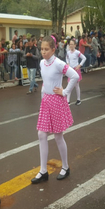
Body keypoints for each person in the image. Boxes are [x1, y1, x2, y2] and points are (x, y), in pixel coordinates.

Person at [31, 35, 79, 184]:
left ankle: (65, 167)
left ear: (53, 49)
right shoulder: (41, 63)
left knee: (58, 136)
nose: (43, 52)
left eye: (46, 49)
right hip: (46, 101)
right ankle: (43, 171)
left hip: (57, 101)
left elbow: (75, 76)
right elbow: (45, 83)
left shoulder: (58, 63)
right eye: (41, 49)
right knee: (41, 134)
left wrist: (65, 92)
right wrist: (42, 97)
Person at [66, 39, 86, 105]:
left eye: (72, 44)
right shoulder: (68, 52)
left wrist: (79, 65)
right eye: (70, 44)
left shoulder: (77, 52)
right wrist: (68, 63)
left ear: (75, 45)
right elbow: (67, 58)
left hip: (76, 70)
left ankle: (78, 99)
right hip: (70, 70)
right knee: (69, 84)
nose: (71, 46)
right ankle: (68, 101)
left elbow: (84, 58)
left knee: (76, 85)